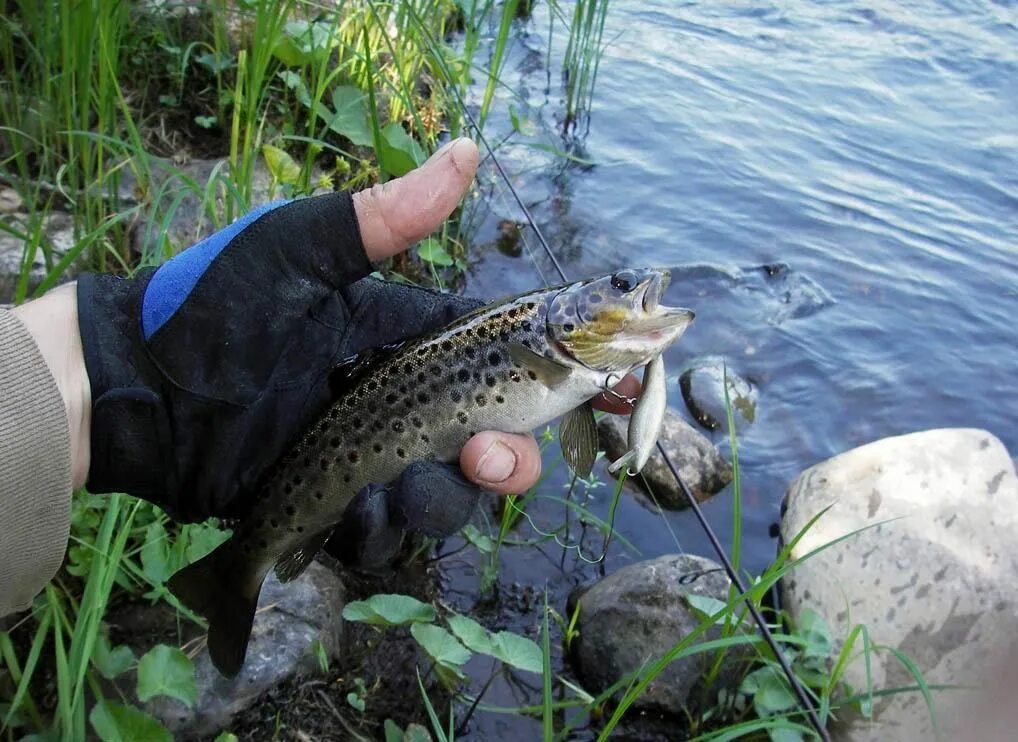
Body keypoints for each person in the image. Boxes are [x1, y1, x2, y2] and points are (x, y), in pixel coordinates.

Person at [0, 138, 636, 617]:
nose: (635, 295)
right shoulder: (542, 337)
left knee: (415, 496)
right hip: (347, 432)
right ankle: (238, 570)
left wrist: (106, 362)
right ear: (570, 315)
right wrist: (126, 357)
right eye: (622, 287)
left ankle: (241, 565)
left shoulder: (567, 358)